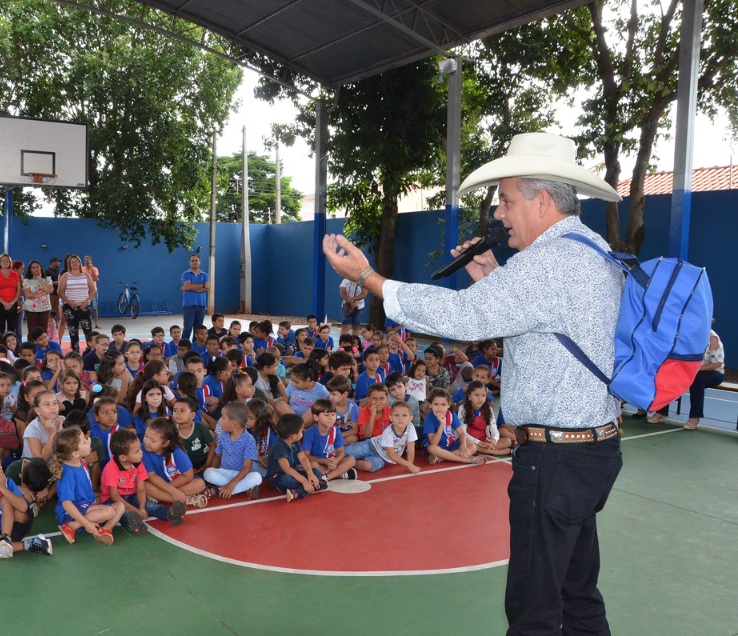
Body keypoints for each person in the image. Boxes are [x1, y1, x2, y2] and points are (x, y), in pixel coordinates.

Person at [322, 131, 625, 634]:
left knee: (534, 612)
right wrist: (493, 278)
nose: (500, 214)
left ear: (542, 199)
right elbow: (546, 328)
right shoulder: (591, 251)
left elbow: (461, 316)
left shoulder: (547, 264)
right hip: (591, 452)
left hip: (554, 460)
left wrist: (371, 278)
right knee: (577, 595)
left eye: (506, 201)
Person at [53, 427, 125, 545]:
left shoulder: (80, 461)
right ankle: (72, 525)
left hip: (85, 504)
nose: (88, 441)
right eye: (84, 441)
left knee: (120, 506)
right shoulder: (68, 474)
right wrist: (87, 524)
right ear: (75, 453)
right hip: (72, 512)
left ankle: (107, 528)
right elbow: (67, 504)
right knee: (109, 512)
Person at [648, 326, 725, 429]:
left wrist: (694, 371)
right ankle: (661, 412)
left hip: (713, 372)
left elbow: (716, 364)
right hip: (690, 371)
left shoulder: (712, 338)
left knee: (698, 379)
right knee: (668, 375)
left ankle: (694, 417)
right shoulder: (689, 336)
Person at [266, 413, 325, 502]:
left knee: (316, 472)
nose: (302, 432)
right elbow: (286, 468)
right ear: (293, 436)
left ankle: (298, 491)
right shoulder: (279, 446)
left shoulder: (294, 441)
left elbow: (303, 458)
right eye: (301, 431)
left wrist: (310, 474)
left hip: (295, 472)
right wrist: (304, 481)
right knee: (288, 480)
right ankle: (308, 488)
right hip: (279, 477)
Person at [57, 255, 96, 355]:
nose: (74, 263)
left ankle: (91, 351)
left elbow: (93, 289)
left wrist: (88, 300)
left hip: (83, 306)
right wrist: (67, 301)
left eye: (76, 261)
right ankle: (75, 352)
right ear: (69, 264)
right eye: (72, 262)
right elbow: (60, 291)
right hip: (70, 307)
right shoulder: (66, 276)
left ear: (79, 263)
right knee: (72, 331)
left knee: (88, 330)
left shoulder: (86, 275)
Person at [0, 253, 22, 334]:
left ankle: (11, 345)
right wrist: (4, 303)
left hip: (12, 303)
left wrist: (12, 303)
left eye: (7, 260)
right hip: (0, 303)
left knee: (11, 327)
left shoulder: (15, 274)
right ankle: (1, 345)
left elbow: (18, 290)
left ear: (10, 262)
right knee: (1, 327)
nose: (5, 262)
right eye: (2, 260)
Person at [180, 254, 209, 340]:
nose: (194, 262)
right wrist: (202, 285)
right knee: (187, 329)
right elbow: (188, 286)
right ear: (189, 263)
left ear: (200, 262)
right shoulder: (186, 274)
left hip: (201, 306)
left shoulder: (205, 275)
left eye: (196, 260)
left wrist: (189, 288)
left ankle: (196, 349)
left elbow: (207, 288)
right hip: (189, 306)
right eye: (192, 261)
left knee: (198, 331)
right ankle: (183, 348)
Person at [22, 260, 53, 337]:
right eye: (33, 267)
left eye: (37, 267)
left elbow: (50, 290)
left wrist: (40, 280)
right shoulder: (27, 281)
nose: (36, 269)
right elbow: (28, 294)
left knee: (43, 329)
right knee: (32, 330)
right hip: (31, 308)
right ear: (30, 270)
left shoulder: (47, 279)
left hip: (45, 308)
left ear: (40, 268)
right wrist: (43, 293)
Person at [82, 255, 100, 327]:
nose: (86, 262)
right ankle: (84, 323)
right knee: (84, 307)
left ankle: (96, 323)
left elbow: (95, 278)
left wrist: (91, 268)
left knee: (94, 307)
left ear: (91, 261)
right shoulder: (82, 269)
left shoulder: (95, 269)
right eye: (85, 260)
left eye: (88, 260)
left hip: (93, 290)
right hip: (84, 291)